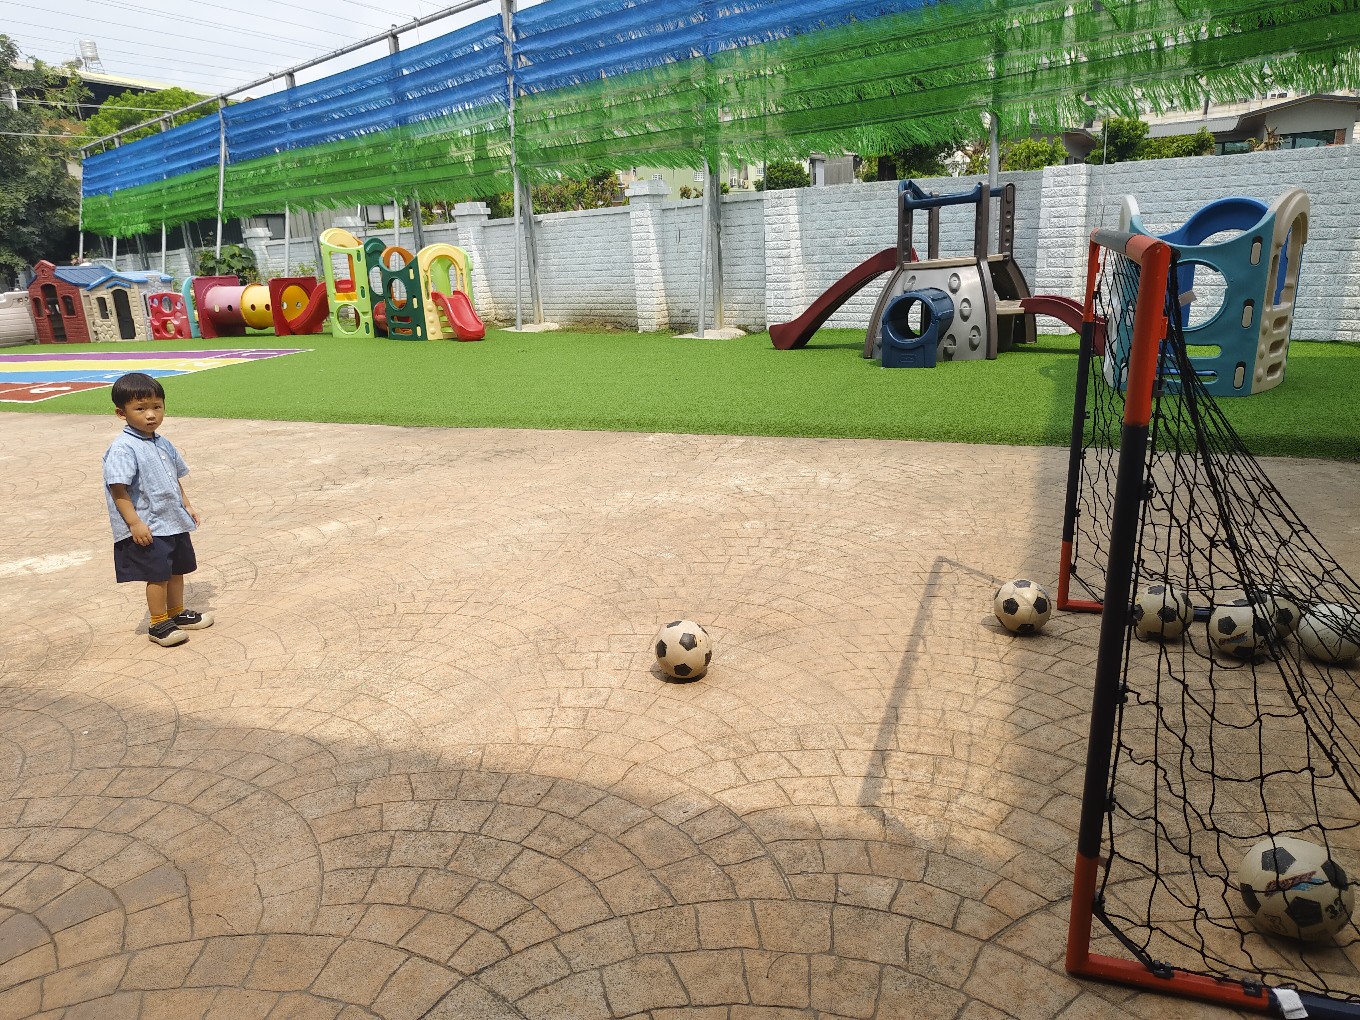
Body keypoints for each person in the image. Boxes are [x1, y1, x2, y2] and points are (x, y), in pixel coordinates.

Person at [103, 372, 214, 647]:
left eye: (157, 406)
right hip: (149, 525)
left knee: (177, 570)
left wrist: (186, 505)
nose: (151, 414)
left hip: (172, 519)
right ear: (121, 413)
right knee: (158, 575)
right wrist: (134, 523)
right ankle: (158, 622)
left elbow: (174, 477)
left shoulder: (162, 442)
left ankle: (176, 612)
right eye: (140, 409)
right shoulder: (123, 448)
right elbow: (118, 489)